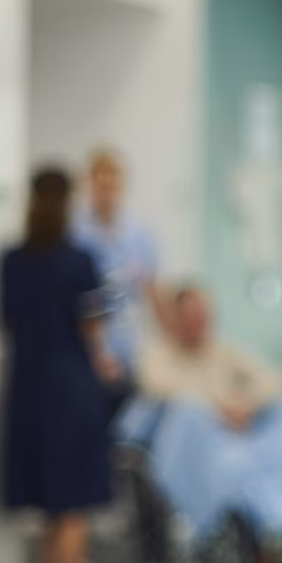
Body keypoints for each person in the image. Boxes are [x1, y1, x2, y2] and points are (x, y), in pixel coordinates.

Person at [137, 286, 282, 563]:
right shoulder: (158, 356)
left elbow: (274, 380)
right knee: (236, 466)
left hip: (240, 436)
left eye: (202, 317)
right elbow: (164, 390)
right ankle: (263, 544)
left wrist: (246, 405)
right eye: (189, 317)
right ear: (176, 319)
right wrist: (218, 408)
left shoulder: (223, 352)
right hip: (197, 449)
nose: (197, 324)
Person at [0, 168, 121, 563]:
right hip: (71, 390)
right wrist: (106, 366)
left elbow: (8, 322)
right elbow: (95, 328)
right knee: (74, 508)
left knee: (52, 506)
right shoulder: (79, 261)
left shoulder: (11, 261)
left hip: (27, 390)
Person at [72, 149, 168, 396]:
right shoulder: (77, 233)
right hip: (88, 339)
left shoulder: (139, 233)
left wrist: (171, 337)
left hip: (129, 337)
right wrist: (97, 348)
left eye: (111, 186)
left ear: (121, 185)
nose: (106, 194)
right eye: (100, 186)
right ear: (90, 186)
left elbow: (152, 288)